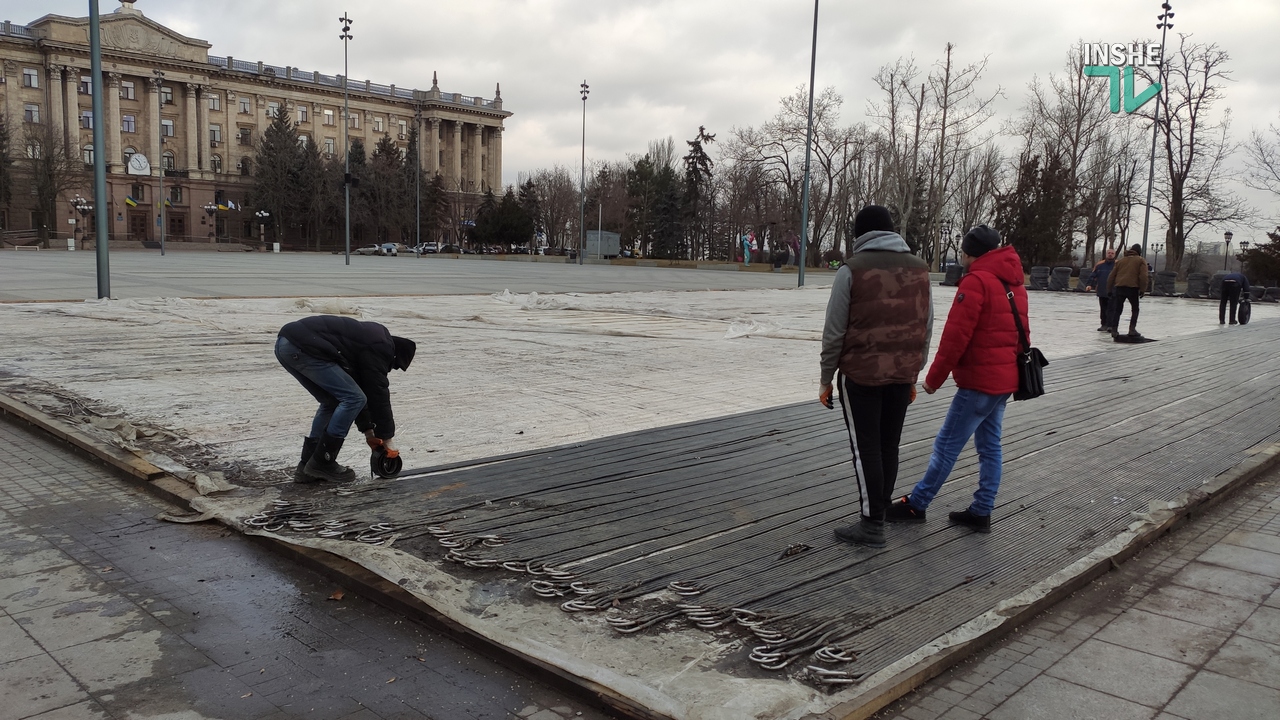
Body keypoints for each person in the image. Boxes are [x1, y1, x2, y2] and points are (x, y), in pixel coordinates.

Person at [885, 225, 1026, 534]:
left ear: (970, 253)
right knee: (990, 447)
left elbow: (955, 338)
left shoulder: (976, 281)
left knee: (946, 445)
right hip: (1003, 381)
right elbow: (1021, 334)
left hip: (979, 382)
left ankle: (917, 503)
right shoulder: (1013, 281)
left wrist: (933, 379)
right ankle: (982, 510)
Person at [820, 205, 934, 548]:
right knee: (889, 444)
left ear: (860, 235)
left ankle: (871, 525)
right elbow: (925, 326)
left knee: (865, 447)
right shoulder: (920, 270)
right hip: (902, 375)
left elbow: (834, 330)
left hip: (861, 376)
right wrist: (915, 372)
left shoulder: (851, 270)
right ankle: (881, 507)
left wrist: (826, 377)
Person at [275, 315, 416, 483]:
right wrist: (387, 439)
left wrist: (369, 432)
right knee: (353, 399)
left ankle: (308, 466)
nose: (390, 368)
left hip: (286, 345)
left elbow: (361, 388)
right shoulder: (381, 345)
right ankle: (323, 462)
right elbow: (378, 395)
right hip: (304, 347)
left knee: (332, 401)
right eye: (394, 365)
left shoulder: (362, 345)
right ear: (394, 355)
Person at [1106, 244, 1149, 338]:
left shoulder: (1121, 261)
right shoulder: (1140, 260)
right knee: (1135, 309)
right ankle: (1132, 330)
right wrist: (1142, 290)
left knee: (1117, 310)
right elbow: (1143, 276)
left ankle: (1114, 330)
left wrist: (1109, 289)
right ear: (1139, 251)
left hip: (1120, 287)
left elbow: (1111, 276)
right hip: (1133, 288)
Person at [1084, 249, 1117, 332]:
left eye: (1112, 253)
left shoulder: (1118, 264)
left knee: (1112, 309)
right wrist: (1089, 285)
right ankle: (1103, 324)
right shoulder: (1099, 265)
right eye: (1109, 253)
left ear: (1115, 255)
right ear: (1106, 254)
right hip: (1102, 290)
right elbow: (1093, 275)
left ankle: (1110, 325)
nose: (1110, 254)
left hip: (1114, 291)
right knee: (1103, 308)